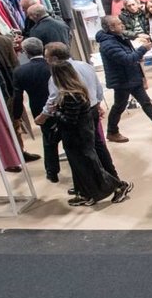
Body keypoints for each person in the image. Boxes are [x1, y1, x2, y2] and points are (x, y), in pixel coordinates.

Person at [40, 57, 131, 205]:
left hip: (78, 137)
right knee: (80, 167)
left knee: (90, 166)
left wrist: (55, 112)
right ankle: (85, 193)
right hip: (78, 136)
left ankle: (118, 186)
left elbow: (70, 120)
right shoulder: (76, 91)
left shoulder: (71, 96)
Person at [95, 15, 152, 141]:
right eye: (119, 23)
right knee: (119, 106)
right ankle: (112, 132)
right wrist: (143, 49)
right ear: (111, 27)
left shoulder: (117, 37)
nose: (122, 25)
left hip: (131, 77)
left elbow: (129, 54)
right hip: (122, 80)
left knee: (145, 102)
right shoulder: (108, 44)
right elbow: (127, 59)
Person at [16, 38, 59, 183]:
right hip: (61, 105)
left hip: (39, 108)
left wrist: (16, 116)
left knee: (49, 140)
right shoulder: (54, 65)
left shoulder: (20, 71)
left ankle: (52, 172)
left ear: (26, 52)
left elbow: (18, 97)